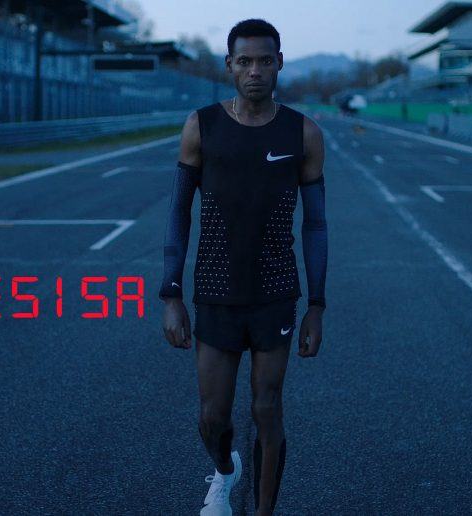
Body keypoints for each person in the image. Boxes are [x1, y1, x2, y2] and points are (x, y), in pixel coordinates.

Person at [159, 18, 328, 516]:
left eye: (265, 60)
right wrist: (171, 293)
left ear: (280, 64)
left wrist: (317, 305)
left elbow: (316, 224)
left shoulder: (303, 132)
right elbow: (178, 211)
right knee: (212, 418)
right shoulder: (202, 126)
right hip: (216, 290)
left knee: (267, 408)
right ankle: (225, 470)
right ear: (230, 65)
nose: (255, 70)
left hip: (275, 290)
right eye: (245, 61)